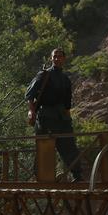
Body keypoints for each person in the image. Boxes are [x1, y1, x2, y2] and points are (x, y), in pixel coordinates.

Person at [25, 48, 83, 181]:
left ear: (64, 59)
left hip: (62, 118)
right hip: (45, 117)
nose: (57, 59)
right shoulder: (44, 75)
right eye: (54, 56)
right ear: (51, 58)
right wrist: (31, 111)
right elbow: (30, 94)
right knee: (44, 148)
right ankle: (41, 177)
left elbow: (67, 103)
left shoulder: (65, 79)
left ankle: (77, 175)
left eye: (60, 56)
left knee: (69, 146)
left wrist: (68, 118)